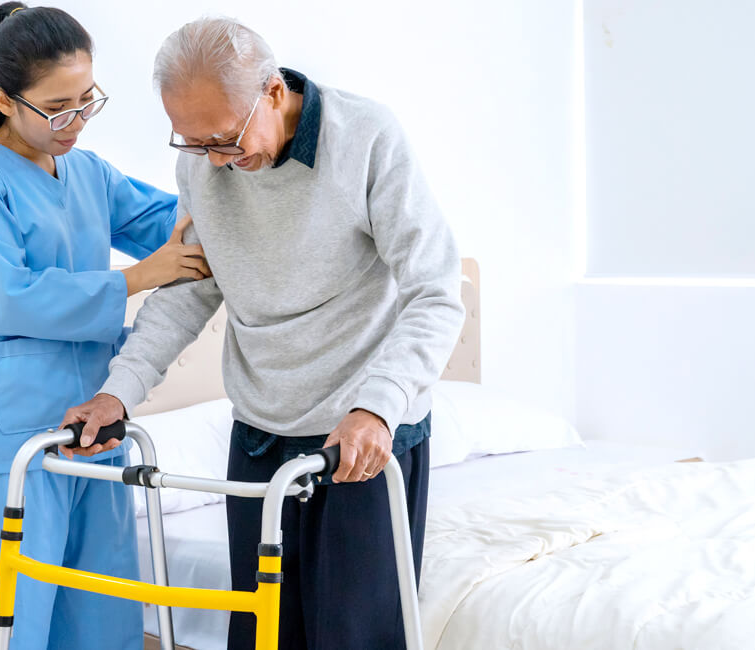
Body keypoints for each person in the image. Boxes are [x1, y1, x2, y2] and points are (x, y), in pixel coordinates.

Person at [62, 17, 465, 650]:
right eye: (195, 144)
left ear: (274, 92)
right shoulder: (201, 166)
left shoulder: (365, 137)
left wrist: (376, 408)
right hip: (260, 434)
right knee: (262, 636)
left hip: (361, 438)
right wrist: (120, 392)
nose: (217, 161)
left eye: (224, 138)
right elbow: (190, 290)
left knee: (354, 638)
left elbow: (436, 291)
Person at [0, 4, 210, 649]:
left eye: (87, 101)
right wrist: (140, 277)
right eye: (57, 107)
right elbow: (5, 299)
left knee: (101, 631)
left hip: (92, 442)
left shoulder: (88, 172)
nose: (74, 122)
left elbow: (181, 226)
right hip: (9, 448)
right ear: (4, 98)